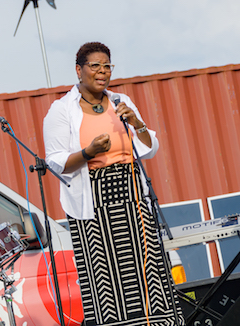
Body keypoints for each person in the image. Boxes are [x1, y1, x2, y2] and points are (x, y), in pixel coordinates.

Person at [43, 42, 183, 326]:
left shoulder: (122, 102)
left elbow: (150, 148)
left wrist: (138, 123)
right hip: (94, 204)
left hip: (132, 196)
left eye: (107, 66)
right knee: (106, 277)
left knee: (148, 272)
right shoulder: (62, 111)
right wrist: (88, 152)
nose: (102, 72)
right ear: (79, 70)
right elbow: (55, 163)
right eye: (95, 66)